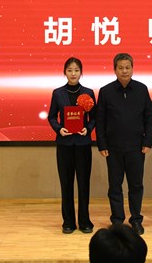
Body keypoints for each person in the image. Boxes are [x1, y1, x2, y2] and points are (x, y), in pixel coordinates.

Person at [96, 53, 152, 235]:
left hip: (137, 147)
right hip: (113, 148)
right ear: (114, 70)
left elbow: (149, 117)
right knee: (115, 186)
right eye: (120, 68)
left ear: (132, 69)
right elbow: (100, 120)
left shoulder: (141, 89)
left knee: (136, 185)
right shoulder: (106, 91)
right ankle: (117, 221)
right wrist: (102, 144)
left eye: (127, 67)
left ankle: (136, 220)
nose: (124, 71)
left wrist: (147, 141)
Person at [47, 57, 96, 234]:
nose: (73, 73)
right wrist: (59, 129)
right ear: (64, 72)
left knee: (83, 184)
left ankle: (84, 221)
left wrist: (87, 128)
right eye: (70, 70)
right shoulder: (57, 93)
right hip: (64, 144)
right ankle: (68, 221)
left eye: (76, 70)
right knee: (66, 184)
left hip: (83, 144)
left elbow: (94, 117)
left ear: (81, 73)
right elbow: (52, 116)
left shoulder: (88, 93)